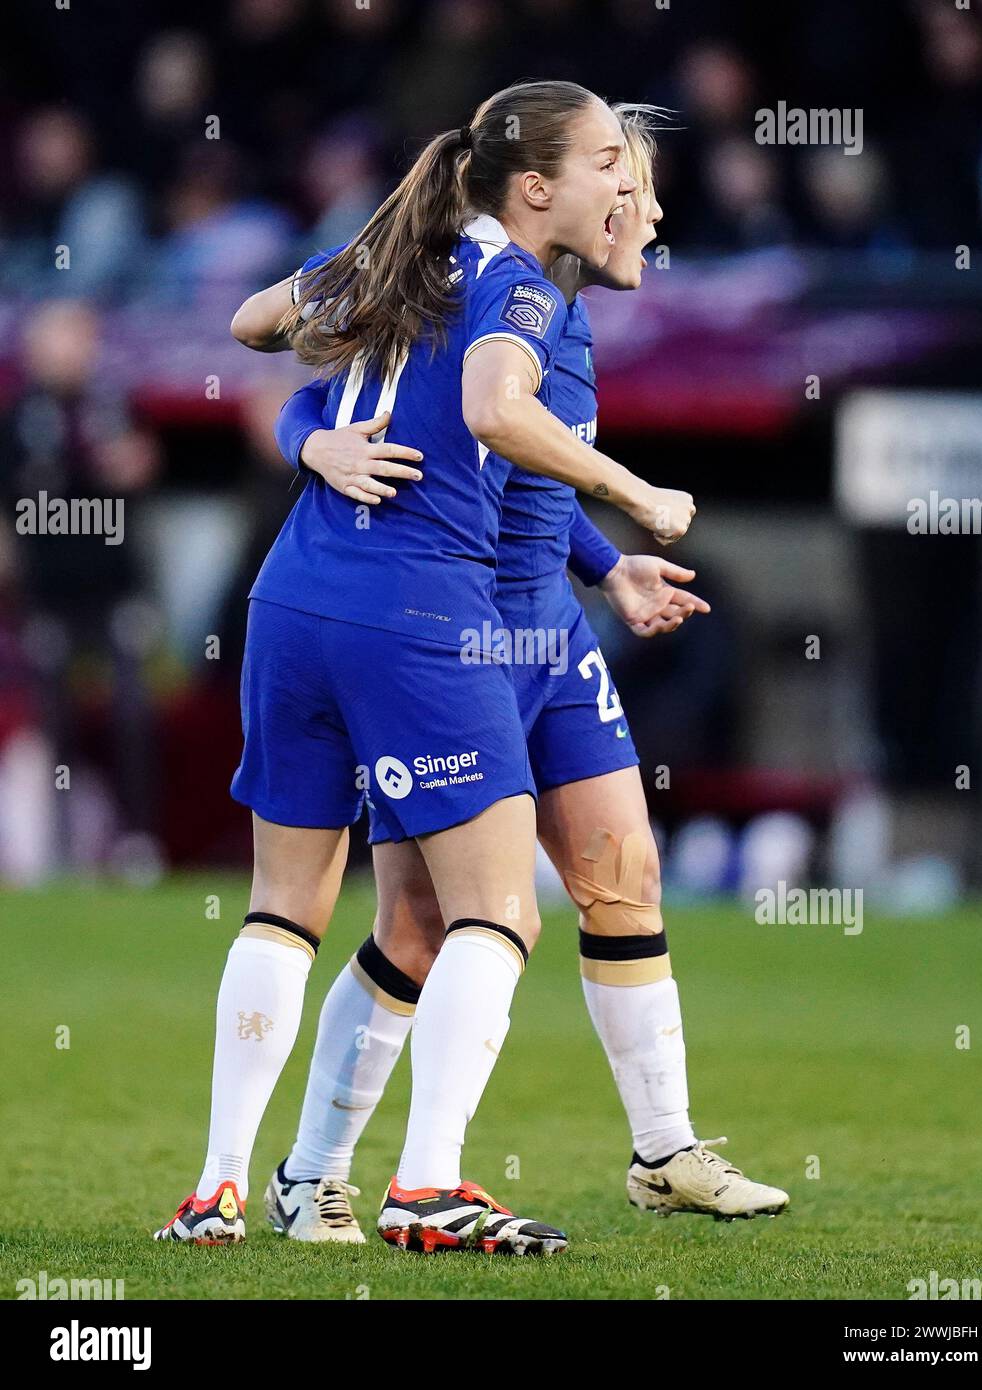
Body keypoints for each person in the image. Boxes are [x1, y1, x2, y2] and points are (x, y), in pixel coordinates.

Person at [154, 81, 696, 1253]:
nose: (629, 186)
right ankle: (427, 1184)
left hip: (292, 600)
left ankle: (218, 1189)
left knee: (283, 911)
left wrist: (309, 435)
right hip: (416, 621)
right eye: (608, 159)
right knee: (495, 915)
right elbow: (497, 413)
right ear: (535, 184)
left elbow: (253, 323)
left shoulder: (402, 255)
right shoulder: (513, 285)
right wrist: (637, 492)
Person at [257, 109, 789, 1247]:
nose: (646, 210)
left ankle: (662, 1149)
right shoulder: (477, 280)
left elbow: (521, 484)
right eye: (624, 183)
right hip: (445, 636)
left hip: (545, 632)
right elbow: (373, 392)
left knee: (621, 871)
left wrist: (607, 563)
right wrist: (306, 435)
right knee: (418, 920)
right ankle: (321, 1173)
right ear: (542, 188)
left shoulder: (553, 302)